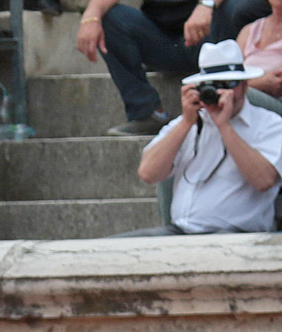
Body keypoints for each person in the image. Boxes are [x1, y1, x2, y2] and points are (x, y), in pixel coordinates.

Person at [130, 42, 282, 234]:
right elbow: (148, 173)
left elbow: (264, 180)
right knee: (110, 250)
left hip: (237, 235)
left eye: (229, 84)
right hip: (179, 232)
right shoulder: (186, 123)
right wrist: (186, 123)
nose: (221, 93)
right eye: (213, 85)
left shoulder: (270, 124)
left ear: (244, 86)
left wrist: (224, 126)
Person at [79, 0, 269, 136]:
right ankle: (146, 112)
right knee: (109, 18)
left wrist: (207, 4)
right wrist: (90, 17)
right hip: (163, 41)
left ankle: (236, 99)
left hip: (214, 36)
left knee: (244, 5)